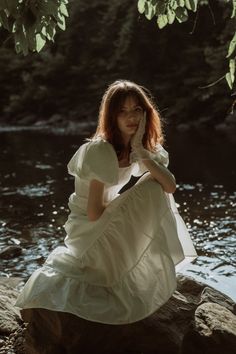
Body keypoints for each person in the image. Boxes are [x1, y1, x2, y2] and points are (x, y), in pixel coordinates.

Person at [15, 80, 197, 324]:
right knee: (150, 188)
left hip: (104, 218)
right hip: (88, 229)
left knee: (155, 184)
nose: (130, 117)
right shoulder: (99, 150)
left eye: (137, 109)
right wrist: (128, 207)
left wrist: (141, 153)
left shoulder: (138, 145)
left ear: (146, 113)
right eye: (122, 111)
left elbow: (170, 186)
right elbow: (93, 213)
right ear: (112, 115)